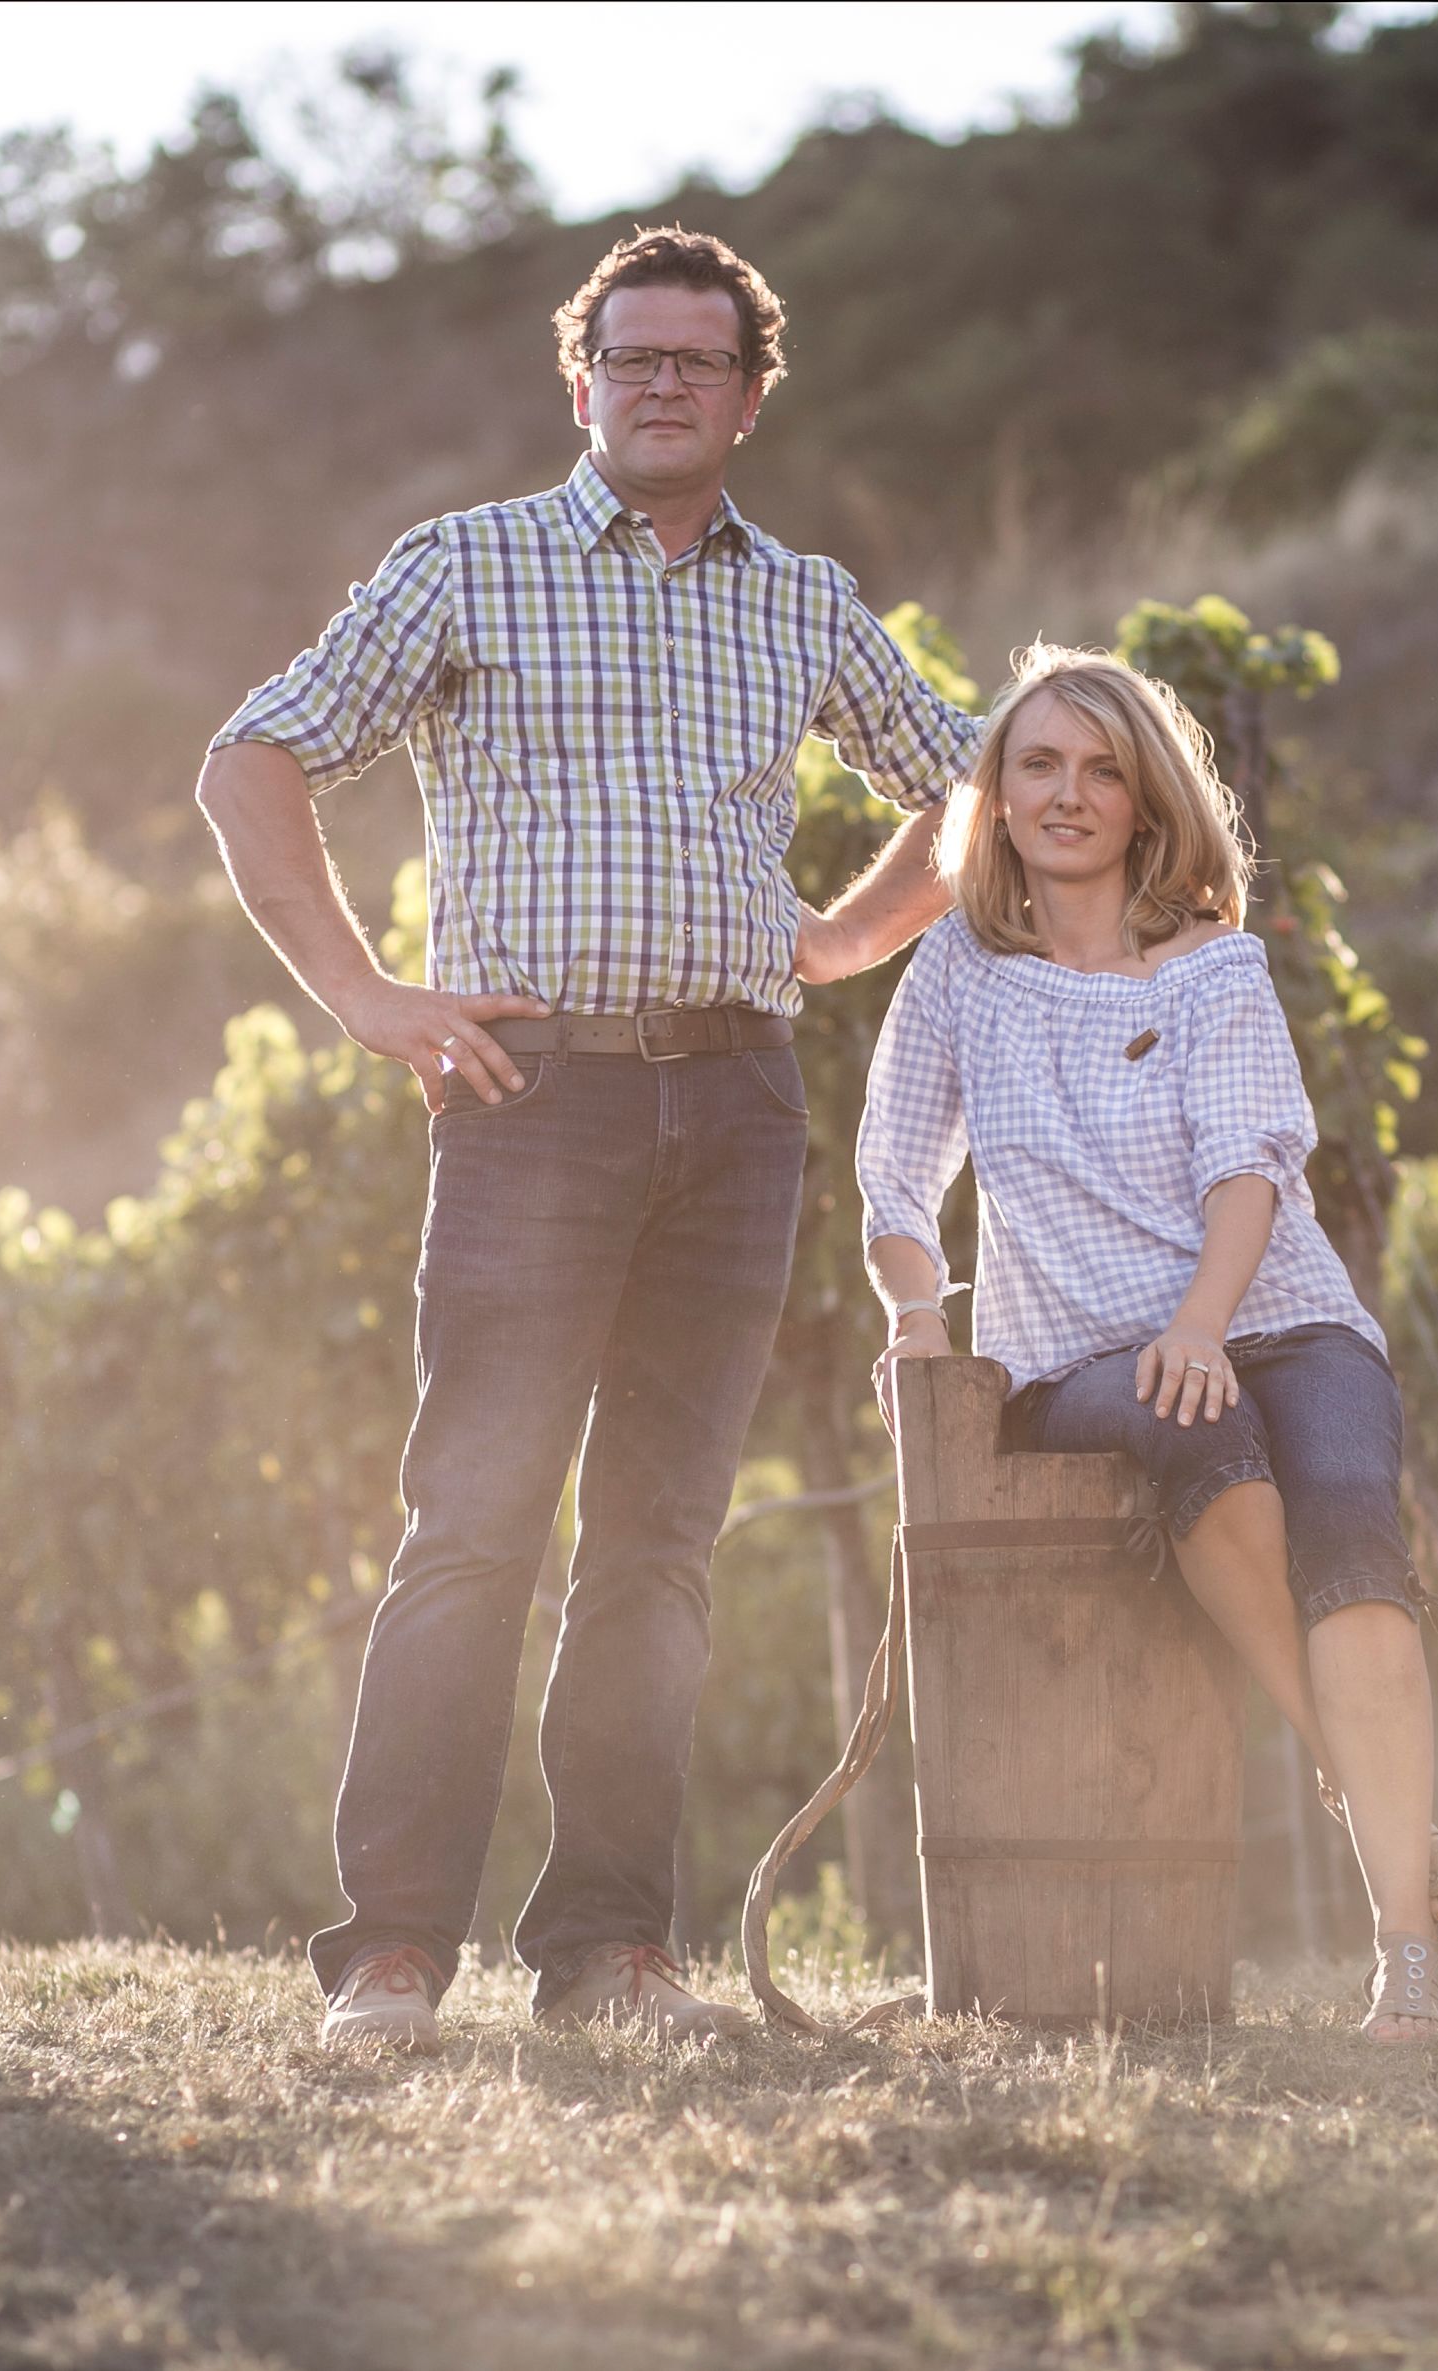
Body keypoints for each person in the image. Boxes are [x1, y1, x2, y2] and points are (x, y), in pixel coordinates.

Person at [196, 227, 974, 2053]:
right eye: (632, 358)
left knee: (660, 1545)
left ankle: (611, 1959)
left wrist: (843, 938)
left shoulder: (807, 602)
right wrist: (366, 995)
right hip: (529, 1102)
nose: (662, 385)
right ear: (582, 382)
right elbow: (253, 756)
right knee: (472, 1525)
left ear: (751, 397)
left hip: (741, 1106)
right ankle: (394, 1956)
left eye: (699, 361)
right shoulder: (466, 565)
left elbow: (969, 785)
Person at [855, 645, 1438, 2041]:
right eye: (1039, 764)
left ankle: (1408, 1967)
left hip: (1276, 1315)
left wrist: (1206, 1322)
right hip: (1080, 1355)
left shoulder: (1216, 968)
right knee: (1199, 1428)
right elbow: (895, 1175)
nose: (1068, 794)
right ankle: (1353, 1777)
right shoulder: (959, 967)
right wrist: (915, 1321)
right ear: (996, 793)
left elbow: (1248, 1166)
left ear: (1148, 802)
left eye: (1104, 771)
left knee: (1353, 1532)